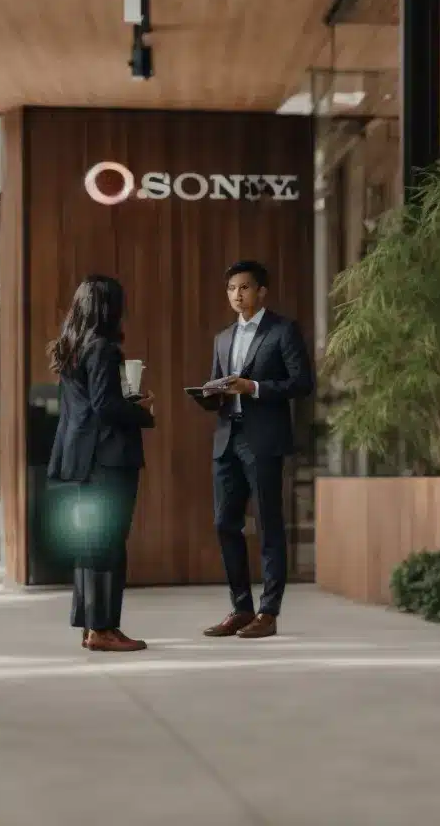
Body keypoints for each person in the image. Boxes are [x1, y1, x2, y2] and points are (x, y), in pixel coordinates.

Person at [193, 260, 313, 639]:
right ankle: (241, 608)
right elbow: (219, 387)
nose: (236, 295)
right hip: (227, 437)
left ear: (261, 291)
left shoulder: (283, 330)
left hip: (263, 439)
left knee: (268, 524)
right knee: (224, 522)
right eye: (231, 289)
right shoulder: (223, 337)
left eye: (244, 288)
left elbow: (301, 382)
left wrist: (255, 388)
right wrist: (208, 394)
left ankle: (269, 612)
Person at [45, 274, 155, 652]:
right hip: (108, 459)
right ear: (109, 308)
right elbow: (106, 406)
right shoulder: (104, 349)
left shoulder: (71, 347)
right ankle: (105, 629)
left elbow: (89, 404)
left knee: (89, 544)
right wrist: (143, 411)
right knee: (108, 544)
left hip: (78, 459)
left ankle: (91, 626)